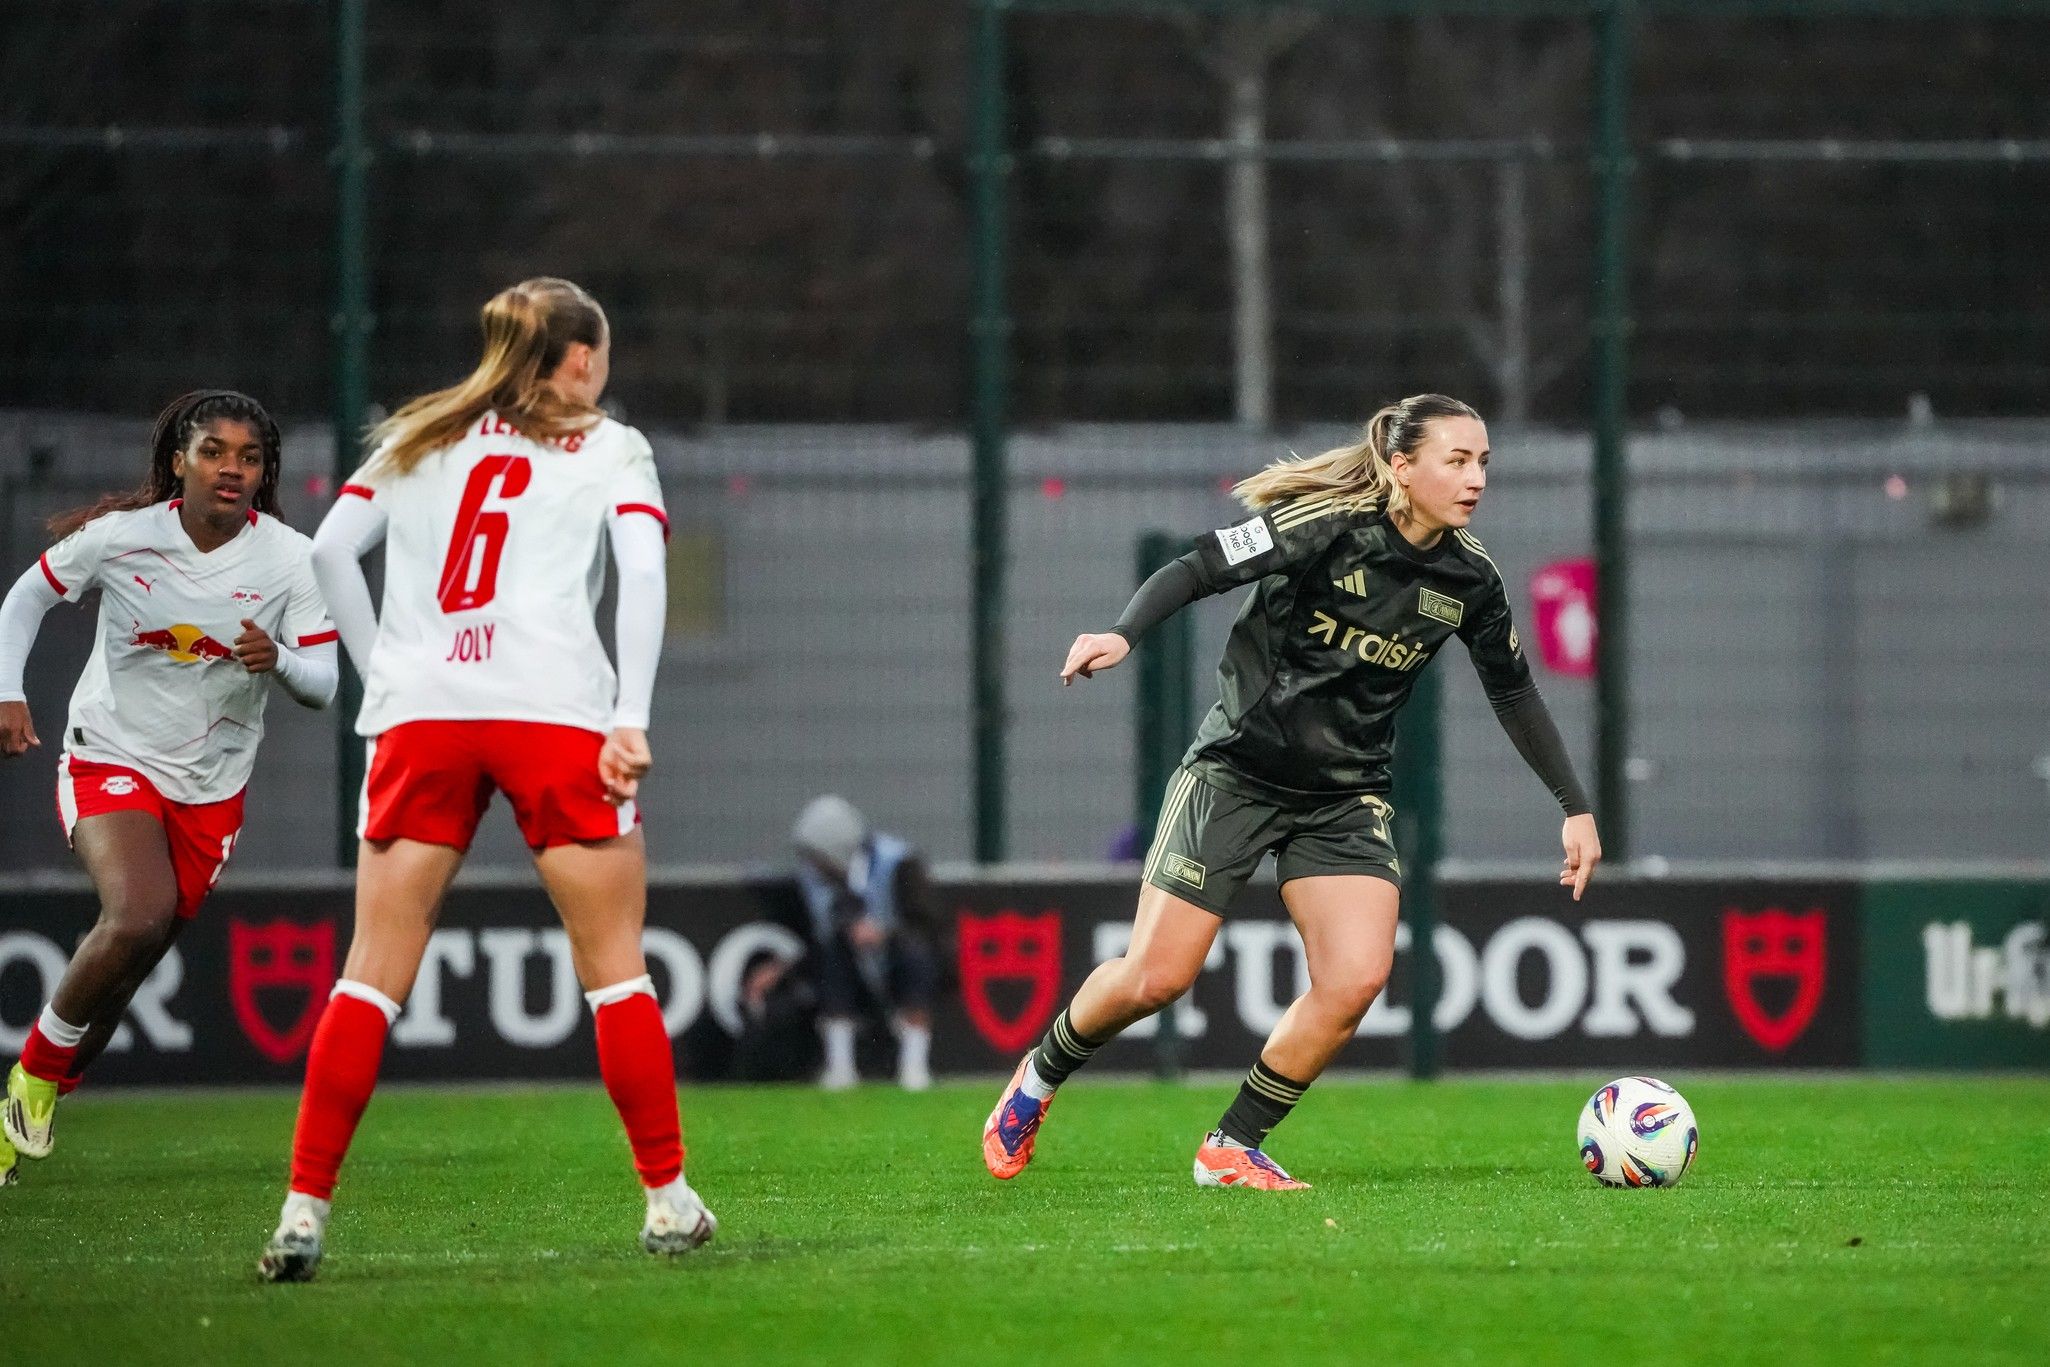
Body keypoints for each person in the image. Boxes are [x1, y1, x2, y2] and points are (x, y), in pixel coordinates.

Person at [982, 393, 1601, 1191]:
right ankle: (1038, 1076)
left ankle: (1232, 1144)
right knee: (1155, 978)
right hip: (1236, 772)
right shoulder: (1326, 526)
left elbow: (1513, 690)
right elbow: (1199, 565)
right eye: (1457, 460)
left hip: (1344, 795)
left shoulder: (1470, 578)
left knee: (1357, 977)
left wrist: (1574, 804)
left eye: (1483, 461)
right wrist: (1122, 633)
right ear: (1402, 466)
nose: (1476, 477)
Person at [256, 278, 708, 1280]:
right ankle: (668, 1198)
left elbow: (329, 551)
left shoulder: (419, 434)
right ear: (581, 359)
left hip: (424, 713)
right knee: (615, 966)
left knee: (369, 972)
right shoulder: (611, 447)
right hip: (554, 713)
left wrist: (382, 677)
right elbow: (643, 572)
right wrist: (630, 714)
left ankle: (302, 1211)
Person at [0, 391, 337, 1188]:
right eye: (214, 451)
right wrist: (7, 690)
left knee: (129, 964)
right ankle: (30, 1078)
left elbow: (323, 682)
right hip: (109, 752)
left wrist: (279, 661)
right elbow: (26, 597)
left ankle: (26, 1109)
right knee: (137, 912)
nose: (231, 468)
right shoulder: (122, 538)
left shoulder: (291, 559)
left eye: (248, 457)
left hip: (210, 789)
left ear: (265, 471)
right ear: (179, 460)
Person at [788, 795, 940, 1091]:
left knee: (915, 954)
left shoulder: (899, 862)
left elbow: (927, 921)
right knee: (831, 956)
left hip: (898, 955)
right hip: (850, 963)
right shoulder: (815, 881)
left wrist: (884, 933)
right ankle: (840, 1067)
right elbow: (818, 933)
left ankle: (914, 1066)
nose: (814, 865)